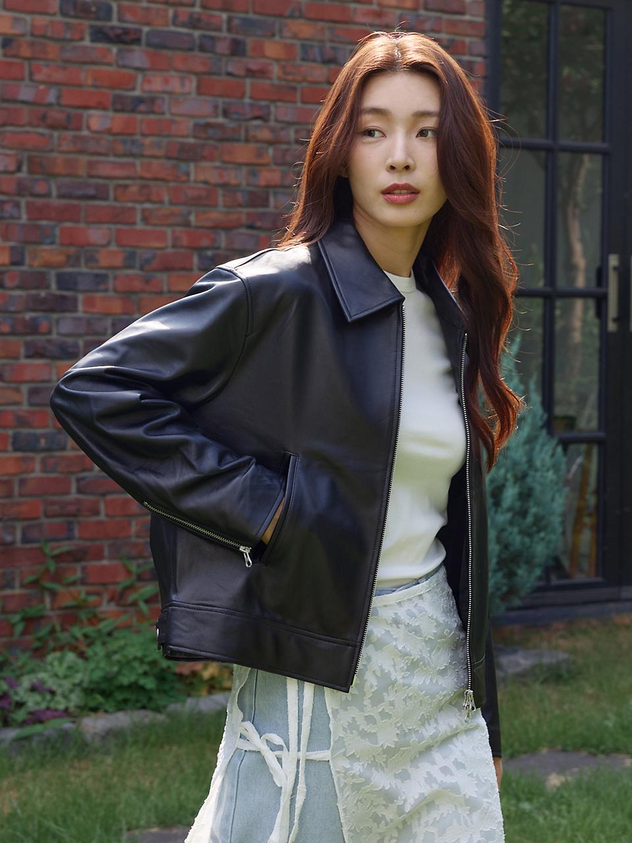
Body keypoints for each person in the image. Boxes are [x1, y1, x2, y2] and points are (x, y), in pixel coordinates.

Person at [49, 29, 522, 843]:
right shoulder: (278, 289)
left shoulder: (445, 312)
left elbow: (455, 541)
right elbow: (98, 391)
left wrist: (488, 718)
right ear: (340, 154)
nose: (400, 156)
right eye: (373, 130)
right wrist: (266, 511)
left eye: (425, 131)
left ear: (458, 157)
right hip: (320, 673)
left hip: (439, 682)